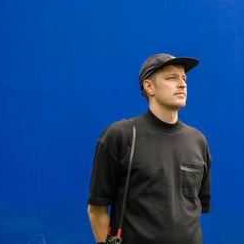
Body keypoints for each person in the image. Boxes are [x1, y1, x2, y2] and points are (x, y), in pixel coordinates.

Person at [87, 53, 212, 244]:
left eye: (184, 78)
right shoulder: (121, 135)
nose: (182, 84)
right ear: (149, 86)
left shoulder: (197, 140)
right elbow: (96, 210)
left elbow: (194, 208)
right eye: (172, 78)